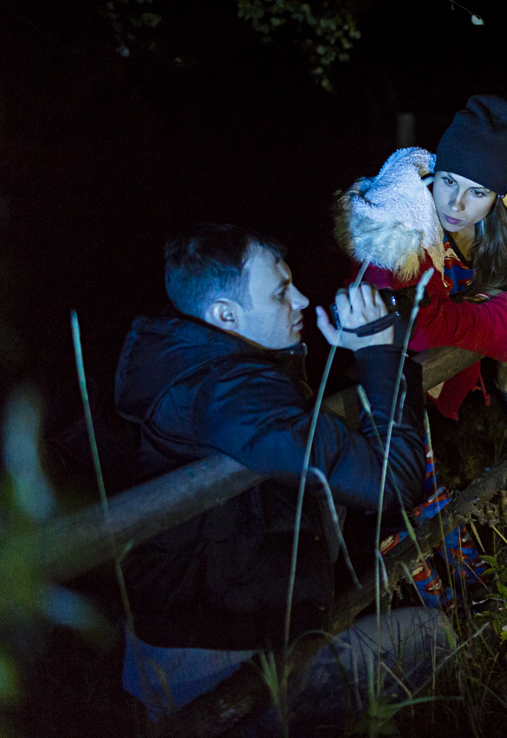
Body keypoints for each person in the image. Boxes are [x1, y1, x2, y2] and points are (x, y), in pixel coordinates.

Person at [113, 223, 451, 728]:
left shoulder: (205, 363)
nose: (300, 298)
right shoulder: (226, 396)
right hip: (206, 675)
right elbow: (392, 483)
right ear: (225, 314)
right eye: (279, 292)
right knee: (432, 638)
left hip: (224, 637)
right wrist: (382, 352)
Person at [335, 94, 507, 421]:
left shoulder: (502, 225)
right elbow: (419, 327)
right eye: (449, 181)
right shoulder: (397, 231)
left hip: (441, 385)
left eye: (478, 192)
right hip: (374, 397)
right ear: (437, 172)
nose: (456, 204)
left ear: (498, 196)